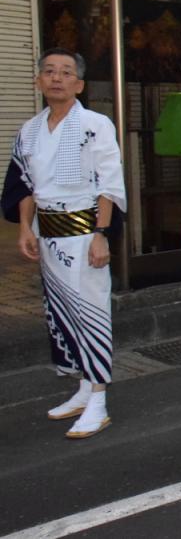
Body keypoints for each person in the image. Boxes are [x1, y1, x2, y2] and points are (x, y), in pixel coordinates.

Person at [1, 48, 126, 438]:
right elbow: (23, 185)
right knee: (63, 314)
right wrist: (25, 228)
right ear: (38, 80)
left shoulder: (95, 124)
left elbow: (109, 182)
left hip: (85, 232)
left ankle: (100, 399)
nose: (56, 77)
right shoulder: (30, 130)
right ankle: (83, 388)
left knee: (91, 313)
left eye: (66, 72)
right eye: (49, 71)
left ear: (80, 84)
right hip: (48, 232)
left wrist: (102, 234)